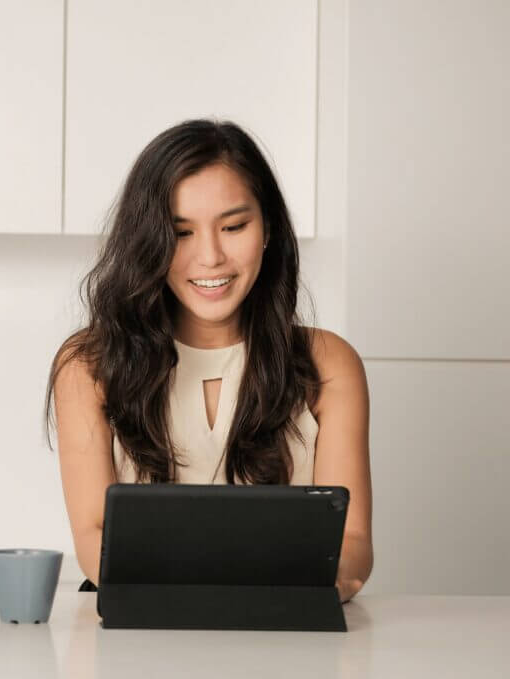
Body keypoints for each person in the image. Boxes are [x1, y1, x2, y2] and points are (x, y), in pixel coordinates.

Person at [45, 119, 372, 604]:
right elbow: (96, 540)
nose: (211, 257)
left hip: (286, 635)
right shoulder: (87, 365)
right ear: (148, 241)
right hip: (141, 637)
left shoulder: (330, 362)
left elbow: (353, 546)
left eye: (234, 226)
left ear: (268, 230)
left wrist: (277, 588)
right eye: (180, 233)